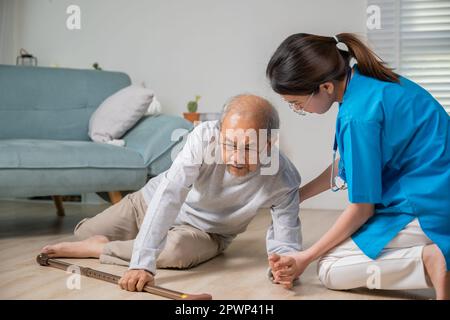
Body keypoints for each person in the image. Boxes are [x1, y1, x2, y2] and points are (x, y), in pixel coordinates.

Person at [41, 94, 303, 291]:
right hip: (149, 202)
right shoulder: (203, 137)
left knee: (176, 250)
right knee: (82, 232)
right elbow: (170, 194)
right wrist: (142, 260)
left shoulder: (284, 177)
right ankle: (113, 243)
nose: (236, 157)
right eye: (229, 144)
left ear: (269, 143)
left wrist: (284, 267)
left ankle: (101, 249)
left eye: (248, 148)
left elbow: (286, 242)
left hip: (205, 231)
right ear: (219, 132)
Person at [266, 33, 450, 299]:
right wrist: (298, 195)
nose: (299, 110)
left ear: (326, 87)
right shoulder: (367, 82)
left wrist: (305, 256)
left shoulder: (357, 116)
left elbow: (362, 209)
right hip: (434, 190)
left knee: (329, 267)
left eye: (297, 104)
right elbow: (355, 160)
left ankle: (431, 259)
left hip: (428, 205)